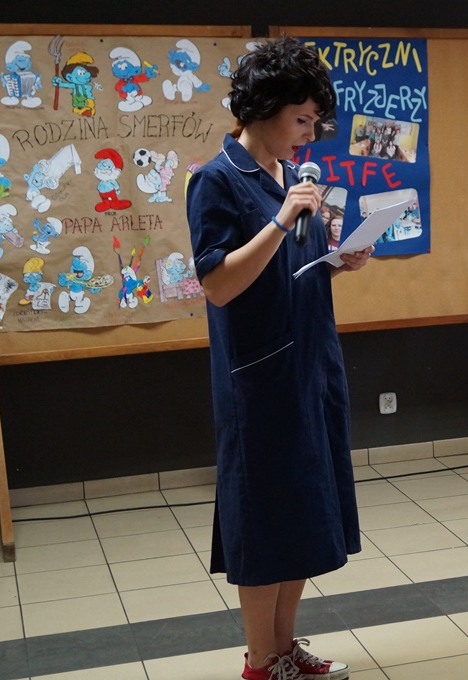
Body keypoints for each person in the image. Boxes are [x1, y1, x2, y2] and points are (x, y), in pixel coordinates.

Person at [186, 36, 372, 680]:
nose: (310, 135)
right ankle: (260, 663)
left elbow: (294, 269)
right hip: (259, 380)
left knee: (305, 514)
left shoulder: (294, 180)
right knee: (266, 522)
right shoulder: (216, 180)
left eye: (315, 123)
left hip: (312, 366)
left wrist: (340, 260)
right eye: (302, 120)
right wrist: (279, 221)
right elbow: (218, 284)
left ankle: (285, 647)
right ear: (263, 109)